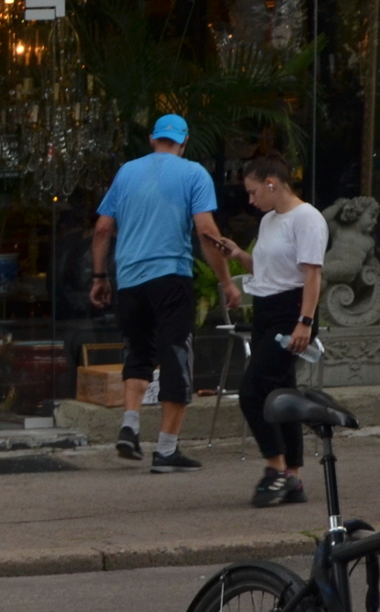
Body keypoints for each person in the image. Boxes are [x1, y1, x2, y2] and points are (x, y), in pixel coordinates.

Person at [90, 114, 241, 473]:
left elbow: (101, 229)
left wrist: (99, 276)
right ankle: (167, 450)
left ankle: (130, 424)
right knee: (176, 357)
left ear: (152, 139)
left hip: (129, 279)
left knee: (138, 353)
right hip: (170, 278)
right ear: (184, 141)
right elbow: (206, 232)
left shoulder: (126, 172)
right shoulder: (193, 174)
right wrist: (226, 282)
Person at [228, 155, 328, 508]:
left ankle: (277, 468)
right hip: (266, 308)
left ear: (272, 183)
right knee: (282, 391)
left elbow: (311, 273)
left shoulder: (307, 218)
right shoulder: (270, 220)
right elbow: (271, 267)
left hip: (290, 311)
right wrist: (240, 255)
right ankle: (294, 477)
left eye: (254, 192)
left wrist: (305, 321)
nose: (251, 201)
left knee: (253, 391)